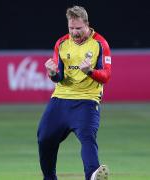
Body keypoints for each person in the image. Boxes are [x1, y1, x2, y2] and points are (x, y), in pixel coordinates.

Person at [37, 5, 111, 180]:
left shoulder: (100, 43)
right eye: (71, 28)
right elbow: (59, 77)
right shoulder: (61, 43)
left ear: (87, 24)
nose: (74, 32)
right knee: (44, 138)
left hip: (87, 101)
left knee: (87, 138)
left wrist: (90, 71)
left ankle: (93, 175)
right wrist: (52, 73)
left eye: (78, 28)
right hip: (61, 98)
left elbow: (106, 76)